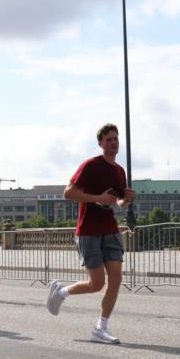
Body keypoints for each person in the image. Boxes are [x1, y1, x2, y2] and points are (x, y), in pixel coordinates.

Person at [46, 123, 135, 344]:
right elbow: (68, 193)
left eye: (115, 139)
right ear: (100, 143)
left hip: (110, 228)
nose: (113, 143)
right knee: (96, 284)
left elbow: (119, 203)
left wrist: (127, 199)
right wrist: (97, 197)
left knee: (116, 277)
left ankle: (100, 328)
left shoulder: (119, 171)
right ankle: (61, 292)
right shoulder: (90, 165)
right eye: (108, 139)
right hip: (88, 231)